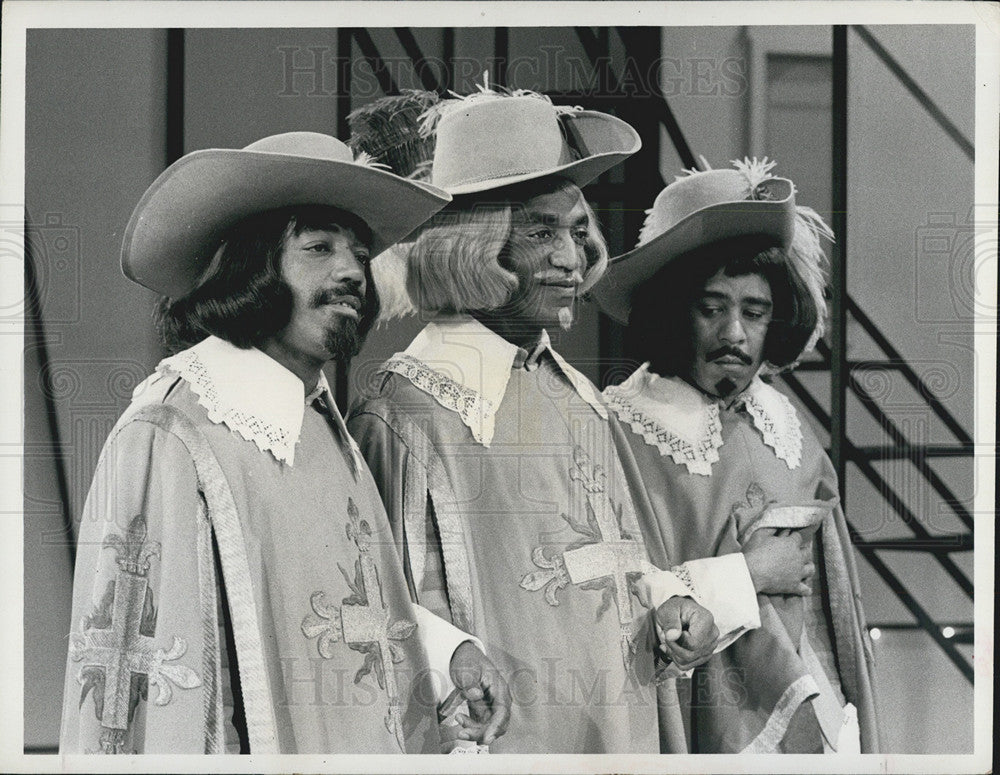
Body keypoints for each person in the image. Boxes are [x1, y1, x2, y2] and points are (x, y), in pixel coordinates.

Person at [58, 131, 511, 754]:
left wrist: (448, 652)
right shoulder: (172, 432)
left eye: (359, 252)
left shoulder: (322, 424)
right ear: (252, 267)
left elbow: (349, 611)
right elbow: (158, 677)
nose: (353, 270)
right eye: (319, 247)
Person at [346, 88, 757, 753]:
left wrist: (668, 609)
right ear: (474, 246)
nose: (573, 257)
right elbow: (379, 619)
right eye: (542, 231)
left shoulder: (581, 400)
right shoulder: (402, 417)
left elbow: (616, 566)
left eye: (575, 229)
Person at [593, 158, 880, 753]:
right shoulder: (614, 426)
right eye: (711, 307)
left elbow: (835, 616)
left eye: (754, 312)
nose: (735, 335)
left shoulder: (793, 431)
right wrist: (745, 576)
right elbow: (605, 591)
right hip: (682, 723)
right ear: (671, 310)